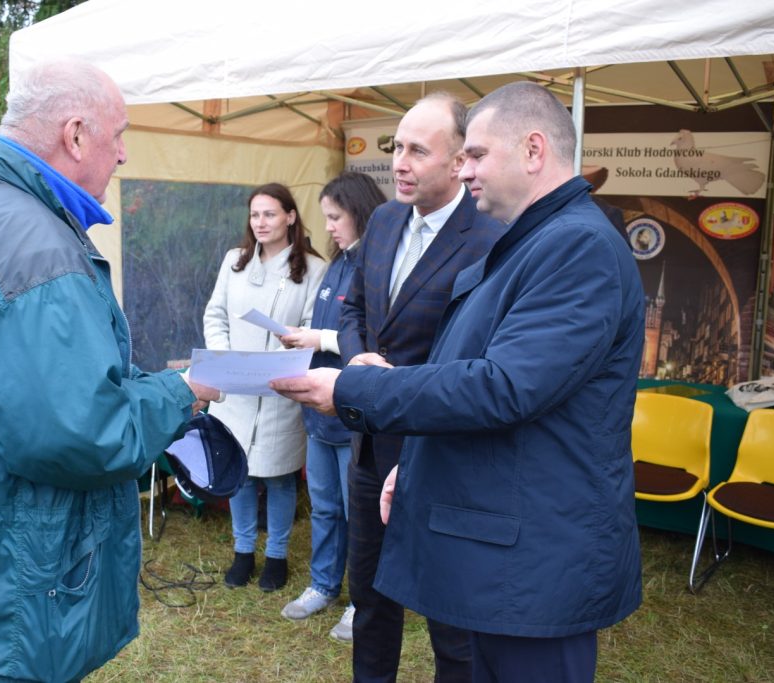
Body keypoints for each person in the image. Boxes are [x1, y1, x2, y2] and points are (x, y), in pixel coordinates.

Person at [272, 81, 644, 683]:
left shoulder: (575, 246)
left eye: (474, 155)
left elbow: (501, 387)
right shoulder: (537, 240)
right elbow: (474, 372)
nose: (463, 170)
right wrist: (413, 466)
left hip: (534, 569)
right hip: (509, 552)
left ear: (532, 150)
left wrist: (348, 391)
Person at [0, 58, 219, 683]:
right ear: (76, 135)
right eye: (119, 137)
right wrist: (179, 392)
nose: (124, 156)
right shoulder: (36, 250)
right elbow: (80, 435)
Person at [336, 93, 502, 681]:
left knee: (449, 621)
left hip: (439, 457)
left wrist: (394, 384)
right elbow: (353, 309)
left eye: (415, 151)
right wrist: (360, 365)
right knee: (371, 601)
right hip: (369, 450)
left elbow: (478, 353)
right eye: (395, 147)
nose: (398, 163)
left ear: (459, 162)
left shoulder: (490, 237)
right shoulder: (381, 221)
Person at [277, 172, 385, 641]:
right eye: (326, 218)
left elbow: (374, 340)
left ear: (360, 212)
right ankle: (323, 584)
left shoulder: (378, 264)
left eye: (336, 218)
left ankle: (364, 601)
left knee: (356, 510)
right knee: (324, 506)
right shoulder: (338, 262)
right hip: (319, 415)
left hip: (353, 416)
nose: (330, 228)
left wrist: (317, 337)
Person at [203, 182, 326, 592]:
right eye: (255, 215)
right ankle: (242, 551)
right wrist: (225, 358)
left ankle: (276, 555)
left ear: (290, 216)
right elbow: (215, 315)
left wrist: (292, 343)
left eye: (269, 214)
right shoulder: (233, 261)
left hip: (281, 388)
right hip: (236, 387)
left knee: (278, 476)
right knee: (240, 473)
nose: (260, 222)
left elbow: (312, 327)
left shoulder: (312, 268)